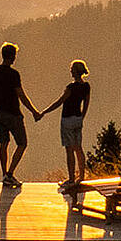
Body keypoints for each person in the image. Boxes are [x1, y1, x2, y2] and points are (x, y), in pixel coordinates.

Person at [0, 42, 40, 187]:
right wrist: (34, 112)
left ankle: (4, 174)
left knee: (3, 143)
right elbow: (21, 95)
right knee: (22, 143)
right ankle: (10, 174)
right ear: (12, 56)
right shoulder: (13, 74)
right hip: (13, 114)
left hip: (0, 113)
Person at [36, 60, 92, 191]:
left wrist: (43, 112)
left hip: (67, 120)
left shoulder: (71, 88)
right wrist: (82, 117)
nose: (70, 71)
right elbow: (86, 103)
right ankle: (82, 176)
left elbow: (59, 102)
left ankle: (71, 179)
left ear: (75, 71)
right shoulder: (86, 86)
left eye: (72, 69)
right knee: (78, 147)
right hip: (78, 119)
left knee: (69, 149)